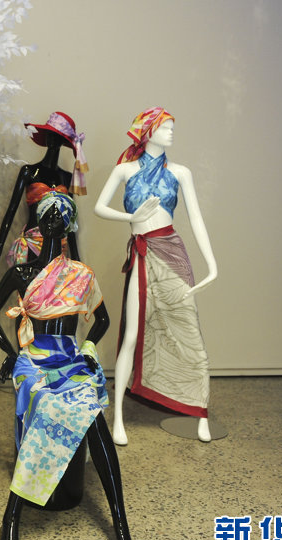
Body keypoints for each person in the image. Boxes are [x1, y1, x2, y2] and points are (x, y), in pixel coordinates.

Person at [0, 192, 138, 540]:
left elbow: (102, 321)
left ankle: (121, 527)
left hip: (70, 359)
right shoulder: (22, 273)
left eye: (61, 212)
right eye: (48, 211)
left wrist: (88, 346)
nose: (54, 216)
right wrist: (11, 354)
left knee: (94, 419)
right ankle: (11, 518)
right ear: (38, 219)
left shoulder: (81, 274)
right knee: (45, 407)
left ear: (68, 224)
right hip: (34, 361)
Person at [93, 107, 217, 444]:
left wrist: (211, 264)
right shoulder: (124, 170)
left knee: (188, 331)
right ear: (147, 132)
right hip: (142, 253)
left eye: (173, 128)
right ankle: (118, 417)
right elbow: (99, 207)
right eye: (165, 128)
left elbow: (196, 218)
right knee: (132, 334)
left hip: (171, 252)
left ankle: (200, 411)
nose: (171, 133)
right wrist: (130, 217)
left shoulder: (180, 172)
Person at [0, 111, 88, 267]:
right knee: (32, 281)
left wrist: (76, 257)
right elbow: (11, 210)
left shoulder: (66, 177)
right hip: (32, 242)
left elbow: (70, 221)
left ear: (62, 141)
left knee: (53, 282)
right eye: (49, 134)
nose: (51, 139)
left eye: (56, 136)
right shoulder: (29, 171)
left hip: (58, 246)